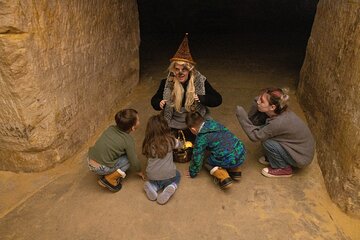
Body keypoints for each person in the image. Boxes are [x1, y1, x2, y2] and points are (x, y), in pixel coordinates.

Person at [151, 33, 222, 143]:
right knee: (160, 138)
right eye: (177, 69)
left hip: (195, 119)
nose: (180, 73)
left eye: (183, 69)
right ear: (173, 69)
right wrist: (159, 103)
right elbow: (154, 100)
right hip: (173, 120)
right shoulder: (167, 83)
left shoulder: (200, 81)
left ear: (189, 70)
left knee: (210, 137)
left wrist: (203, 98)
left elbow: (218, 99)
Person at [235, 87, 315, 178]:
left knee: (267, 142)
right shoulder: (280, 109)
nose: (258, 102)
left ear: (272, 107)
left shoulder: (278, 123)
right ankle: (276, 158)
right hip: (299, 149)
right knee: (265, 131)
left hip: (301, 157)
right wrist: (256, 103)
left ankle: (283, 168)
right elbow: (254, 122)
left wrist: (242, 117)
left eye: (262, 101)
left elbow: (255, 136)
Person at [87, 108, 145, 192]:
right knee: (128, 159)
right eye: (138, 120)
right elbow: (134, 160)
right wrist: (139, 171)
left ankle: (105, 173)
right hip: (100, 168)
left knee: (119, 151)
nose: (139, 121)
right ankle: (109, 179)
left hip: (90, 160)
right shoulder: (128, 140)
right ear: (133, 128)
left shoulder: (110, 128)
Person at [186, 112, 246, 189]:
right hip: (241, 152)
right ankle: (236, 171)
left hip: (228, 159)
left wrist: (193, 172)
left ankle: (224, 178)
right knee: (229, 150)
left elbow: (197, 158)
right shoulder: (213, 123)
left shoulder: (201, 137)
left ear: (193, 129)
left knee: (206, 162)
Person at [142, 114, 181, 204]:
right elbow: (179, 144)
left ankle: (153, 187)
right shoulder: (170, 140)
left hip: (152, 174)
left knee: (156, 179)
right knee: (177, 175)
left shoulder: (147, 142)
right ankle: (171, 186)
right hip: (169, 173)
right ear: (165, 127)